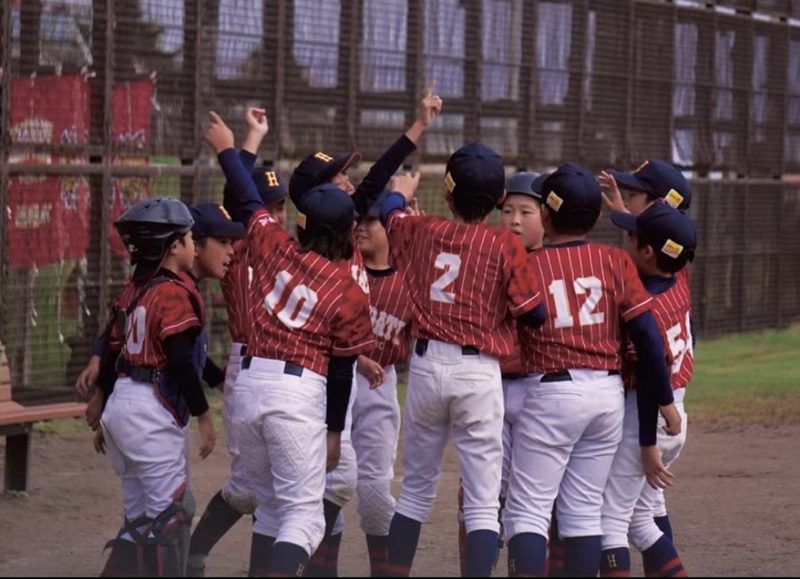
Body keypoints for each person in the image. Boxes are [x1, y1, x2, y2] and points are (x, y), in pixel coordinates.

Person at [204, 111, 375, 577]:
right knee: (304, 516)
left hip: (249, 387)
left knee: (270, 507)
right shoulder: (348, 291)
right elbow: (341, 370)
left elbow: (245, 197)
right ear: (347, 233)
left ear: (300, 226)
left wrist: (228, 147)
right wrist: (334, 431)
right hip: (297, 393)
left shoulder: (276, 246)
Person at [289, 84, 442, 577]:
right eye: (339, 178)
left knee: (370, 492)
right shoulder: (314, 249)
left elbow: (377, 180)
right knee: (333, 480)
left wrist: (418, 126)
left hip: (369, 378)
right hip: (328, 374)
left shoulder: (343, 223)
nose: (350, 182)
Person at [502, 164, 682, 578]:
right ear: (598, 216)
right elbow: (647, 335)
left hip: (551, 390)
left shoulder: (529, 264)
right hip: (606, 395)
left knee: (527, 511)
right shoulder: (615, 260)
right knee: (583, 512)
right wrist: (666, 401)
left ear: (545, 215)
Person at [378, 142, 547, 577]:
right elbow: (534, 313)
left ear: (448, 195)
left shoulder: (423, 228)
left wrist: (400, 192)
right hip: (478, 370)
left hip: (425, 365)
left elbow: (388, 212)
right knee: (483, 503)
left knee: (414, 492)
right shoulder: (505, 244)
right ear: (499, 199)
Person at [94, 197, 222, 577]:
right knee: (172, 516)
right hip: (150, 412)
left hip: (122, 405)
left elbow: (111, 354)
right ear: (173, 246)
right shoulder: (171, 292)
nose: (193, 245)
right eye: (189, 239)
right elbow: (180, 360)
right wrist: (203, 414)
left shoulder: (133, 290)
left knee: (140, 522)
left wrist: (102, 407)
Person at [187, 108, 288, 578]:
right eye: (269, 205)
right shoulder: (239, 248)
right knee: (252, 490)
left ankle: (199, 556)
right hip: (249, 367)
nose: (276, 214)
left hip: (280, 372)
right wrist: (247, 141)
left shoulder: (286, 248)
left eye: (281, 206)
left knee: (269, 490)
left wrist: (251, 138)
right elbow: (235, 193)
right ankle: (194, 554)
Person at [599, 203, 696, 579]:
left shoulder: (645, 304)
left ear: (648, 252)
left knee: (610, 522)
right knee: (641, 520)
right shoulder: (679, 277)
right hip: (675, 412)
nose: (628, 243)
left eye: (633, 238)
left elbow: (648, 376)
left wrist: (646, 444)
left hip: (651, 416)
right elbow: (668, 247)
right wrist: (625, 210)